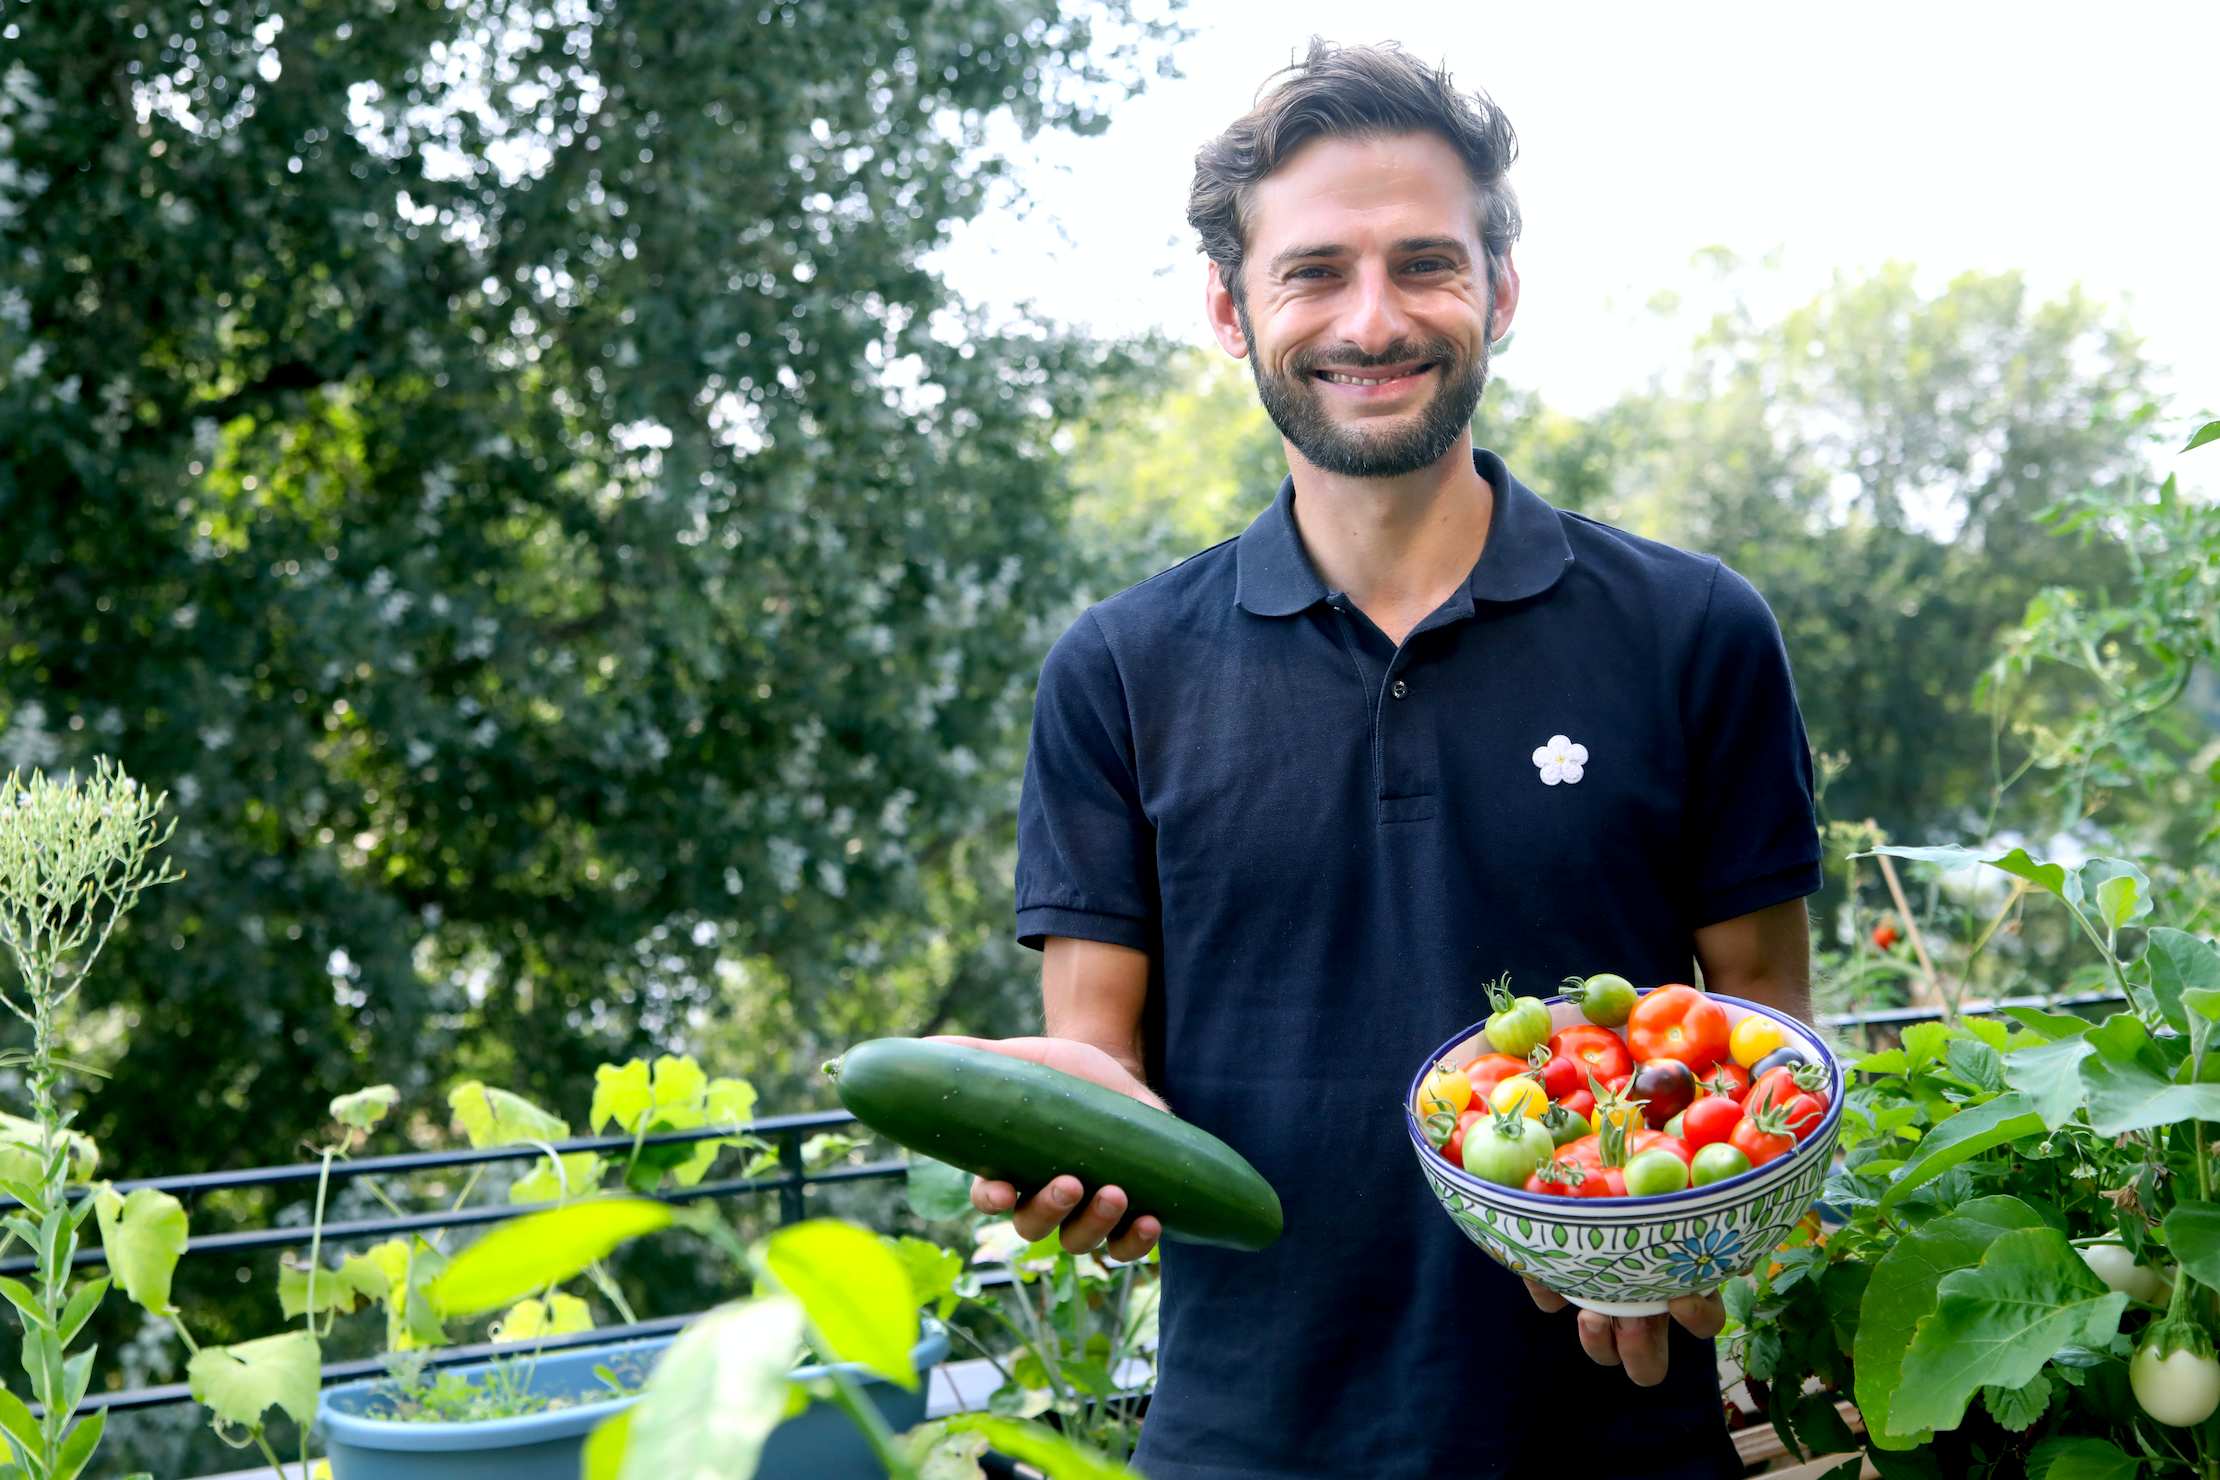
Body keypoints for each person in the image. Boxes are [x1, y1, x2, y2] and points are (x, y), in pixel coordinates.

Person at [949, 38, 1821, 1480]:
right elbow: (1097, 1045)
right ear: (1232, 311)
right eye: (1313, 273)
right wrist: (1081, 1126)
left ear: (1502, 291)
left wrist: (1710, 1238)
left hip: (1615, 1438)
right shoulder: (1119, 669)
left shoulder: (1694, 629)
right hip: (1242, 1442)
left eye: (1426, 262)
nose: (1375, 318)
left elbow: (1770, 1018)